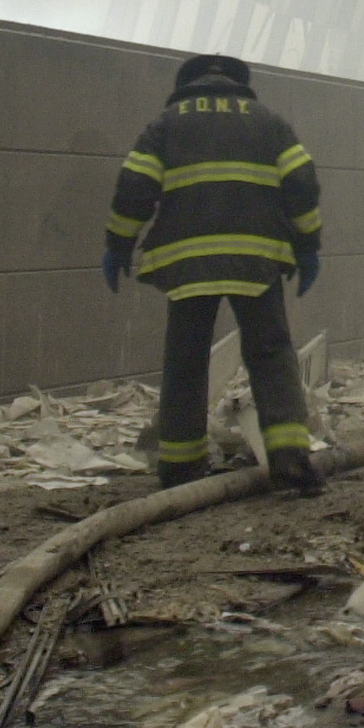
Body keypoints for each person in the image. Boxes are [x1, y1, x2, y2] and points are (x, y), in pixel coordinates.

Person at [103, 54, 325, 494]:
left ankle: (181, 471)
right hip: (256, 260)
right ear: (237, 85)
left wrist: (118, 244)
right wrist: (308, 246)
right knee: (271, 355)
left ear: (189, 86)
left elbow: (134, 188)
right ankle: (290, 465)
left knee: (185, 363)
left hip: (188, 263)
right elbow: (301, 183)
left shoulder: (166, 124)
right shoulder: (268, 122)